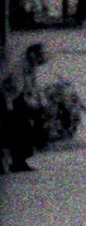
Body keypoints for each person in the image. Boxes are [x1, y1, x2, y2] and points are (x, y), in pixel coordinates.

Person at [1, 43, 49, 173]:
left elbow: (32, 86)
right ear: (32, 55)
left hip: (18, 98)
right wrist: (9, 102)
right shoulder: (18, 66)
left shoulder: (30, 67)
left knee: (24, 129)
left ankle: (19, 161)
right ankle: (14, 162)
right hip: (9, 99)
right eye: (39, 56)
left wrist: (38, 100)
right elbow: (10, 86)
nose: (40, 61)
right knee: (14, 130)